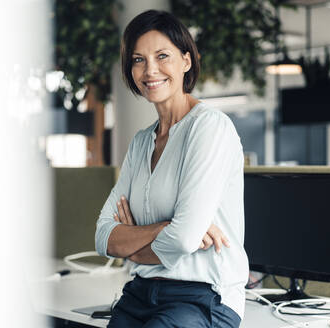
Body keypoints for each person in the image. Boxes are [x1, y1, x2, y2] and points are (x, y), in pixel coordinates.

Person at [95, 9, 249, 328]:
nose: (150, 70)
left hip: (203, 297)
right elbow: (103, 237)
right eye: (138, 59)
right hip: (140, 294)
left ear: (186, 61)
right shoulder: (140, 143)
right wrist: (163, 227)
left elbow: (183, 238)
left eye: (162, 55)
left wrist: (133, 249)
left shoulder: (209, 128)